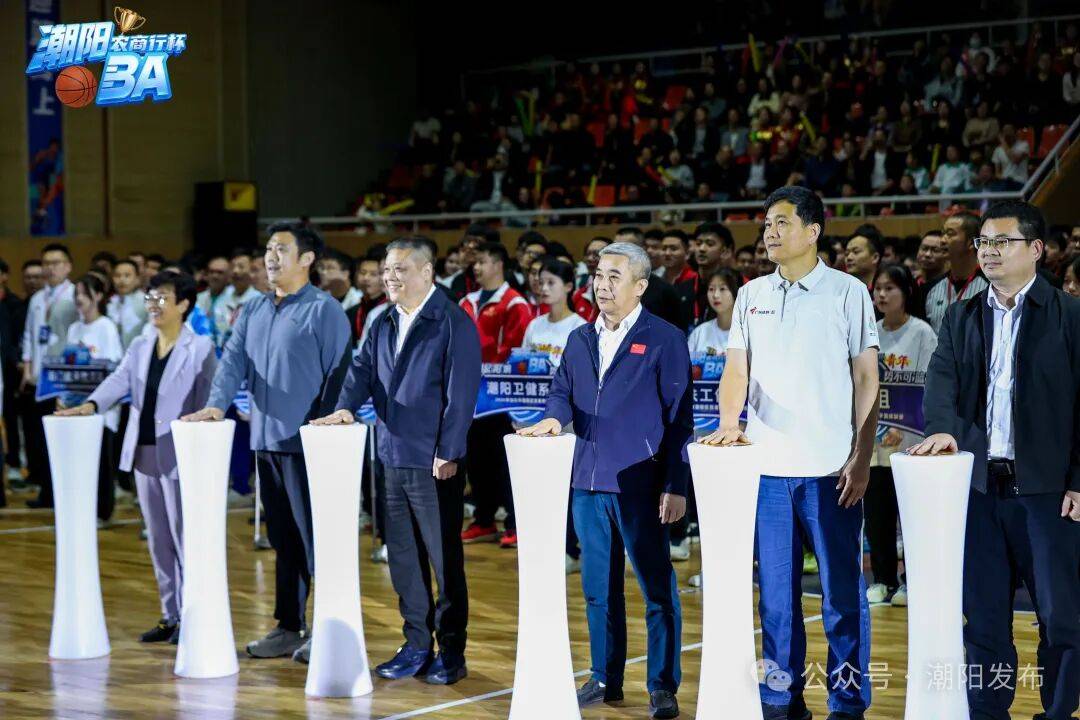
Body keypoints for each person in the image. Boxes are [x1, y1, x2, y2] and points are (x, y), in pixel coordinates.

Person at [702, 186, 879, 720]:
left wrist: (861, 454)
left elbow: (867, 377)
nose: (770, 233)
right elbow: (736, 369)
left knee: (841, 598)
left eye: (782, 223)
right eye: (766, 224)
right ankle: (781, 699)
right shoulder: (751, 294)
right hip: (767, 472)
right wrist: (729, 423)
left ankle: (847, 703)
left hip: (831, 470)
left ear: (813, 230)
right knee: (777, 603)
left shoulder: (848, 291)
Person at [910, 200, 1080, 720]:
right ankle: (988, 712)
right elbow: (940, 383)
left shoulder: (1070, 315)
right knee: (982, 618)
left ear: (1036, 249)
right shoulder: (962, 316)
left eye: (1002, 242)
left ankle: (1057, 712)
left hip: (1049, 493)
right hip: (980, 490)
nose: (989, 251)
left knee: (1061, 616)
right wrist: (943, 431)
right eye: (984, 242)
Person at [519, 241, 692, 720]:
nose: (602, 284)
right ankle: (603, 676)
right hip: (587, 482)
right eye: (598, 275)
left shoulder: (665, 338)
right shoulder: (579, 338)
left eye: (615, 276)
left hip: (642, 484)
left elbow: (680, 419)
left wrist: (675, 484)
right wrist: (552, 419)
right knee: (598, 589)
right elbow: (560, 392)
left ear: (640, 286)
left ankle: (662, 685)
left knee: (656, 590)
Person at [313, 236, 481, 686]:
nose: (389, 277)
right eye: (386, 270)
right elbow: (361, 370)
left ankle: (451, 652)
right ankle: (416, 644)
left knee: (444, 560)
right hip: (391, 455)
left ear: (427, 272)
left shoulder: (452, 321)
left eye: (399, 269)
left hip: (434, 461)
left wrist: (449, 450)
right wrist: (345, 407)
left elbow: (462, 393)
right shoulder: (383, 320)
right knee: (403, 557)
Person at [182, 221, 351, 664]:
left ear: (307, 259)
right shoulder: (254, 309)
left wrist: (324, 428)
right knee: (283, 538)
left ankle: (328, 629)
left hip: (308, 444)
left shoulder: (324, 310)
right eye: (269, 249)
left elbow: (340, 373)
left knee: (316, 541)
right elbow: (233, 361)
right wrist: (216, 405)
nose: (271, 257)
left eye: (281, 249)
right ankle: (289, 626)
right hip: (265, 440)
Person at [58, 271, 215, 643]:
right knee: (159, 538)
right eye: (150, 298)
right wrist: (91, 404)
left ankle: (194, 615)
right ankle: (170, 615)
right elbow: (119, 380)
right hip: (143, 451)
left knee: (184, 537)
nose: (154, 305)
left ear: (184, 304)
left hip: (180, 452)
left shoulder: (201, 347)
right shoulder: (141, 344)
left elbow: (209, 399)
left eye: (162, 298)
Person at [864, 264, 937, 609]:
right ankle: (883, 580)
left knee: (910, 517)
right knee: (878, 516)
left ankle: (912, 581)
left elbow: (928, 388)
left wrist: (901, 428)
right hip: (874, 445)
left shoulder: (922, 333)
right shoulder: (869, 333)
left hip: (911, 443)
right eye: (877, 288)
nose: (881, 294)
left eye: (889, 288)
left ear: (906, 292)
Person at [458, 242, 532, 547]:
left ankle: (515, 523)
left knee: (504, 461)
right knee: (476, 459)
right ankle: (484, 520)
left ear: (499, 264)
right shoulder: (467, 301)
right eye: (475, 263)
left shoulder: (515, 303)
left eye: (483, 261)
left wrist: (488, 370)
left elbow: (515, 350)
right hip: (470, 394)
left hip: (502, 397)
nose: (476, 267)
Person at [521, 257, 588, 574]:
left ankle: (570, 550)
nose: (543, 288)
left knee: (567, 486)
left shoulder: (579, 328)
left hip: (568, 422)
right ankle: (544, 546)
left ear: (569, 286)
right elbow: (522, 369)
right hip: (535, 418)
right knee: (540, 488)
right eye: (540, 282)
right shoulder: (534, 326)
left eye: (551, 283)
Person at [64, 274, 124, 523]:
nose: (79, 298)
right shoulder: (74, 329)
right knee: (79, 461)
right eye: (76, 293)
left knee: (101, 462)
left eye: (84, 293)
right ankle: (82, 509)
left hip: (102, 408)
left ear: (98, 296)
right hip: (75, 403)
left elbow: (114, 369)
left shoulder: (106, 327)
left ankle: (103, 511)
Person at [23, 244, 77, 509]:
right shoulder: (37, 298)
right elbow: (29, 335)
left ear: (68, 266)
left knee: (62, 437)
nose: (50, 268)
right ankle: (46, 491)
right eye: (46, 263)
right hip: (38, 377)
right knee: (39, 437)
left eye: (56, 263)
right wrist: (27, 368)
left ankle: (64, 491)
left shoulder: (75, 295)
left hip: (63, 378)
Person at [925, 211, 989, 333]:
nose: (942, 240)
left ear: (971, 243)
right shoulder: (929, 289)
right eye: (943, 234)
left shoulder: (992, 288)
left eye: (950, 234)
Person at [612, 227, 685, 328]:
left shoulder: (664, 290)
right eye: (614, 248)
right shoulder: (608, 286)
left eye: (624, 248)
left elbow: (676, 332)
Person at [659, 229, 699, 329]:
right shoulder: (655, 281)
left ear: (687, 253)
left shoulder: (695, 279)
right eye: (664, 248)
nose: (667, 253)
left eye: (673, 249)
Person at [107, 259, 147, 350]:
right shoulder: (110, 303)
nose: (121, 280)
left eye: (127, 275)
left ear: (137, 279)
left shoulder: (146, 303)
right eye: (117, 276)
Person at [194, 255, 231, 351]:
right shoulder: (198, 299)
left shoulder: (235, 300)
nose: (215, 276)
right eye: (211, 272)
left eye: (220, 272)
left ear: (229, 276)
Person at [845, 224, 883, 292]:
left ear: (875, 258)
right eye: (846, 254)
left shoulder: (882, 293)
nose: (849, 257)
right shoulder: (844, 291)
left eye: (856, 252)